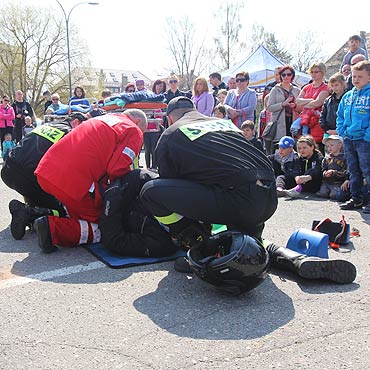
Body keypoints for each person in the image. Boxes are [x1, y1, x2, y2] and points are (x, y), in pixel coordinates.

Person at [140, 97, 356, 289]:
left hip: (236, 199)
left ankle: (199, 244)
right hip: (267, 198)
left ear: (170, 118)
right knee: (248, 248)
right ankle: (296, 260)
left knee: (151, 192)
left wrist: (194, 228)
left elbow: (172, 186)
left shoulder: (172, 133)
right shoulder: (226, 125)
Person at [33, 109, 148, 252]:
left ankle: (30, 214)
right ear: (137, 122)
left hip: (46, 170)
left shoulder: (103, 118)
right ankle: (52, 229)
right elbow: (117, 169)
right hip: (75, 182)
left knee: (78, 213)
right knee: (104, 226)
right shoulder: (133, 130)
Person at [1, 113, 89, 240]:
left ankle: (29, 209)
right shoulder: (70, 133)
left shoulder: (47, 125)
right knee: (65, 212)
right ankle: (29, 212)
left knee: (39, 194)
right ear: (76, 122)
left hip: (8, 170)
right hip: (28, 177)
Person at [99, 169, 177, 257]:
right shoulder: (163, 189)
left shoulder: (163, 244)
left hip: (105, 214)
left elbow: (114, 240)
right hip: (108, 197)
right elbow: (135, 176)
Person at [337, 61, 370, 213]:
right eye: (354, 76)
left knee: (367, 170)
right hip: (349, 139)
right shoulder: (347, 96)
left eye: (360, 76)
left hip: (365, 140)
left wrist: (367, 135)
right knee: (353, 170)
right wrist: (342, 131)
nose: (356, 79)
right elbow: (340, 116)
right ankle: (356, 198)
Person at [294, 62, 330, 154]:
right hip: (305, 120)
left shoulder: (325, 87)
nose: (313, 74)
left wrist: (305, 102)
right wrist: (311, 100)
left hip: (317, 122)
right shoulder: (307, 87)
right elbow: (297, 102)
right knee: (304, 146)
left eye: (316, 72)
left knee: (317, 148)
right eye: (312, 72)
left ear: (322, 73)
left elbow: (318, 103)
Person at [267, 65, 301, 154]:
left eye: (288, 74)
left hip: (293, 123)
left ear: (292, 76)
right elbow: (269, 107)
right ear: (280, 76)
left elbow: (301, 108)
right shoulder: (275, 90)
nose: (286, 77)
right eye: (283, 74)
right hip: (279, 124)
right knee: (279, 150)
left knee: (293, 150)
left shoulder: (297, 90)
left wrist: (295, 106)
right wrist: (283, 104)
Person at [316, 135, 348, 200]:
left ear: (339, 145)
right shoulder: (327, 158)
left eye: (332, 145)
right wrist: (325, 173)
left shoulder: (344, 158)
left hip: (337, 182)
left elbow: (346, 171)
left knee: (333, 195)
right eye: (327, 146)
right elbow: (323, 168)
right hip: (327, 181)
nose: (329, 148)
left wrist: (334, 172)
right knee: (323, 193)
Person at [144, 79, 166, 170]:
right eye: (157, 85)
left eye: (161, 86)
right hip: (145, 128)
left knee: (154, 149)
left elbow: (160, 118)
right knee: (147, 150)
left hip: (155, 129)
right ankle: (148, 167)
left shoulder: (160, 102)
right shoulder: (146, 101)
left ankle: (154, 167)